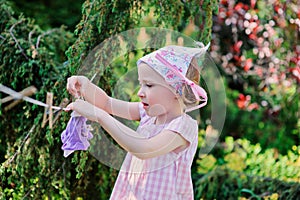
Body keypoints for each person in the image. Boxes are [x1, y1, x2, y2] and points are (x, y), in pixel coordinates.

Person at [65, 43, 209, 200]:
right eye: (141, 84)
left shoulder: (183, 127)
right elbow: (107, 103)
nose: (140, 93)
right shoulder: (149, 116)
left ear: (177, 88)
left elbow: (144, 148)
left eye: (149, 85)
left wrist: (100, 116)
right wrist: (85, 86)